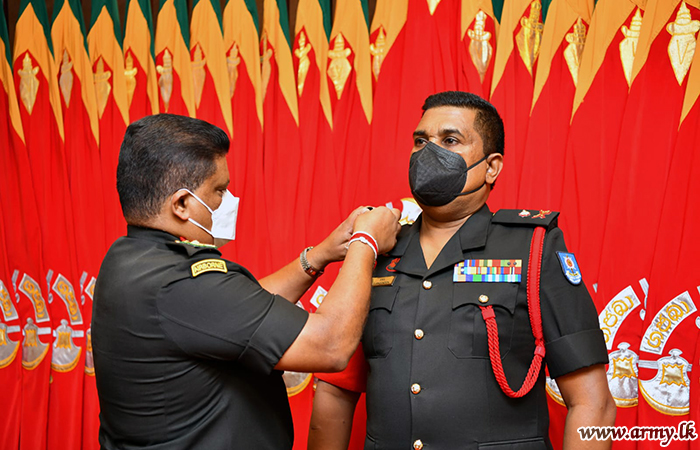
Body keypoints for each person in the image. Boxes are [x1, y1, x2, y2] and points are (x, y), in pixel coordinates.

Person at [308, 91, 616, 450]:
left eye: (450, 140)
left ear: (491, 167)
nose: (429, 152)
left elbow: (593, 403)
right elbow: (335, 392)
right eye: (421, 141)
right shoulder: (377, 252)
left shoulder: (534, 249)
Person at [91, 114, 401, 450]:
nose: (227, 200)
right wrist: (367, 242)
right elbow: (330, 345)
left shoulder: (129, 258)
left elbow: (238, 313)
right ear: (181, 204)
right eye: (219, 190)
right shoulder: (180, 283)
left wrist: (318, 257)